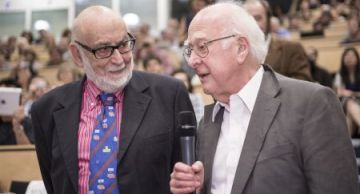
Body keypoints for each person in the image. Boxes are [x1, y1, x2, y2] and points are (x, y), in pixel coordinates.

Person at [169, 2, 359, 194]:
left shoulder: (311, 104)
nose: (192, 61)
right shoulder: (206, 124)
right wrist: (199, 188)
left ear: (241, 48)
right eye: (189, 50)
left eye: (202, 47)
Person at [30, 6, 194, 194]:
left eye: (123, 45)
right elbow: (53, 183)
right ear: (77, 55)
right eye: (104, 49)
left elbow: (187, 178)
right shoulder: (46, 109)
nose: (119, 59)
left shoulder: (169, 94)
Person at [243, 0, 312, 81]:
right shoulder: (236, 52)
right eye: (248, 18)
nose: (253, 23)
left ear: (268, 20)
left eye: (258, 18)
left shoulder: (292, 48)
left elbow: (303, 86)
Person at [333, 47, 360, 137]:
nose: (349, 58)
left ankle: (348, 146)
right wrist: (354, 94)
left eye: (352, 56)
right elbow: (340, 93)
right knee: (349, 102)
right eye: (347, 56)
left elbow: (346, 92)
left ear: (357, 58)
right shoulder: (340, 73)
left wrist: (351, 93)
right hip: (344, 103)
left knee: (349, 117)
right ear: (343, 59)